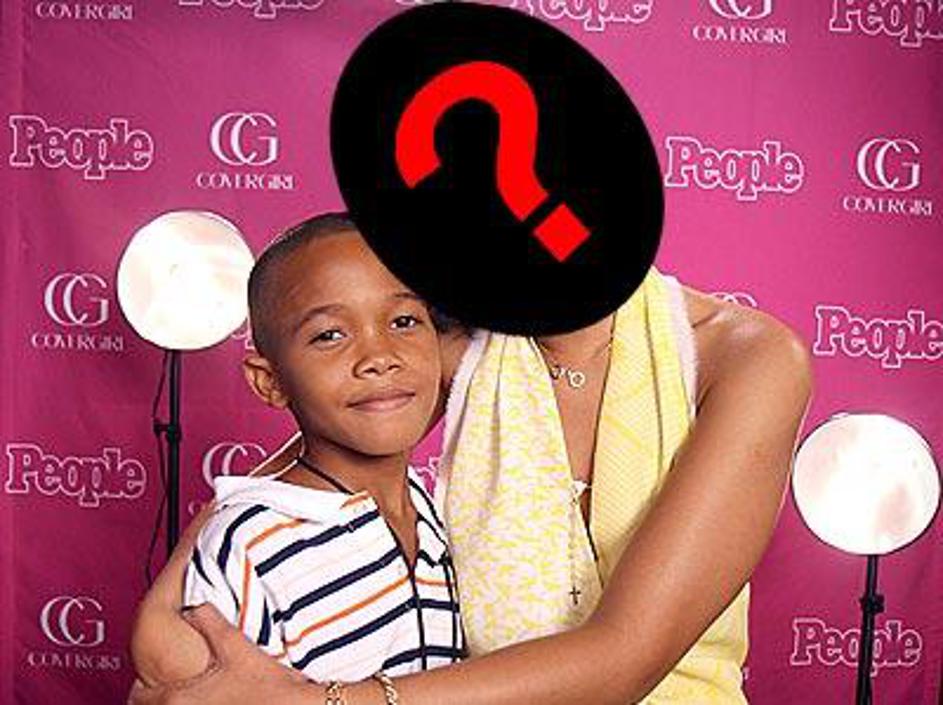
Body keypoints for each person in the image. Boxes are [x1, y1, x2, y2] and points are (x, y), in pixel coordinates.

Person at [130, 226, 812, 703]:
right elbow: (325, 439)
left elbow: (623, 660)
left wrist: (320, 703)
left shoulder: (745, 357)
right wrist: (175, 597)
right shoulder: (461, 351)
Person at [135, 213, 465, 695]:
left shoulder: (428, 503)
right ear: (270, 381)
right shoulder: (250, 542)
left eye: (403, 321)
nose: (379, 357)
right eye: (330, 334)